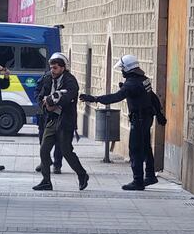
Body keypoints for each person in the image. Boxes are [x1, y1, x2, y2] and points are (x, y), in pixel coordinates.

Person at [79, 54, 167, 191]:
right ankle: (150, 175)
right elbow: (153, 97)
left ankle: (138, 181)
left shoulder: (131, 83)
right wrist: (160, 114)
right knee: (145, 147)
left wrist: (94, 98)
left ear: (128, 68)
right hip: (147, 117)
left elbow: (115, 97)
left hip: (139, 119)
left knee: (135, 149)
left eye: (122, 69)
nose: (122, 72)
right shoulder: (143, 80)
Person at [33, 52, 89, 191]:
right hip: (51, 119)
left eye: (56, 68)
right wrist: (45, 105)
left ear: (63, 68)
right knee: (44, 149)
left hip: (65, 121)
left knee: (66, 151)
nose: (52, 70)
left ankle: (82, 175)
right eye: (51, 67)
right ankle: (46, 180)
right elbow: (40, 95)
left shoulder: (70, 80)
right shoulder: (47, 78)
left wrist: (51, 100)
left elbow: (67, 97)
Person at [34, 71, 63, 174]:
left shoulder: (65, 80)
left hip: (58, 114)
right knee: (43, 140)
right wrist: (41, 102)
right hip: (44, 114)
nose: (53, 70)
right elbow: (37, 91)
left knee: (59, 141)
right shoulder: (46, 77)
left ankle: (57, 165)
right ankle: (45, 162)